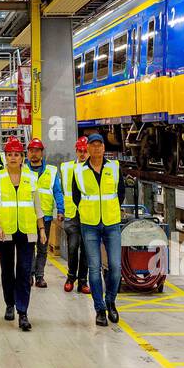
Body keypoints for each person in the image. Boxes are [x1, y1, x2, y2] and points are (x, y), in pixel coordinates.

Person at [0, 137, 45, 331]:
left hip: (27, 230)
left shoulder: (31, 178)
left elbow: (37, 206)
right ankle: (9, 304)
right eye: (9, 154)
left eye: (17, 154)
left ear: (23, 158)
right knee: (7, 270)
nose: (13, 158)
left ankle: (23, 312)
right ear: (5, 157)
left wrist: (42, 230)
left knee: (24, 270)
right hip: (5, 230)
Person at [70, 134, 124, 326]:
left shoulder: (114, 168)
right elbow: (76, 197)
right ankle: (100, 309)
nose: (96, 149)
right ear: (88, 149)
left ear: (103, 148)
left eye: (99, 145)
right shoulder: (78, 171)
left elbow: (121, 193)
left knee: (116, 267)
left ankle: (111, 301)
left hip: (111, 223)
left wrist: (111, 211)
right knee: (94, 269)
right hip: (90, 224)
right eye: (92, 146)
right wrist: (87, 212)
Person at [58, 137, 91, 294]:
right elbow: (62, 190)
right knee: (72, 247)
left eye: (85, 151)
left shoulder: (93, 168)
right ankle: (71, 277)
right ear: (76, 151)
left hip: (89, 215)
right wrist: (61, 210)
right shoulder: (66, 168)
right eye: (80, 151)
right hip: (72, 214)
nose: (82, 154)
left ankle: (83, 281)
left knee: (86, 250)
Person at [25, 139, 56, 289]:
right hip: (29, 216)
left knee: (42, 248)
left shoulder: (51, 171)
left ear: (42, 153)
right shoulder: (23, 169)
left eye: (37, 150)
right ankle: (29, 275)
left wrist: (61, 210)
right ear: (28, 153)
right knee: (29, 247)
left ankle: (40, 276)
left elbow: (57, 191)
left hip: (46, 215)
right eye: (31, 150)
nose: (34, 153)